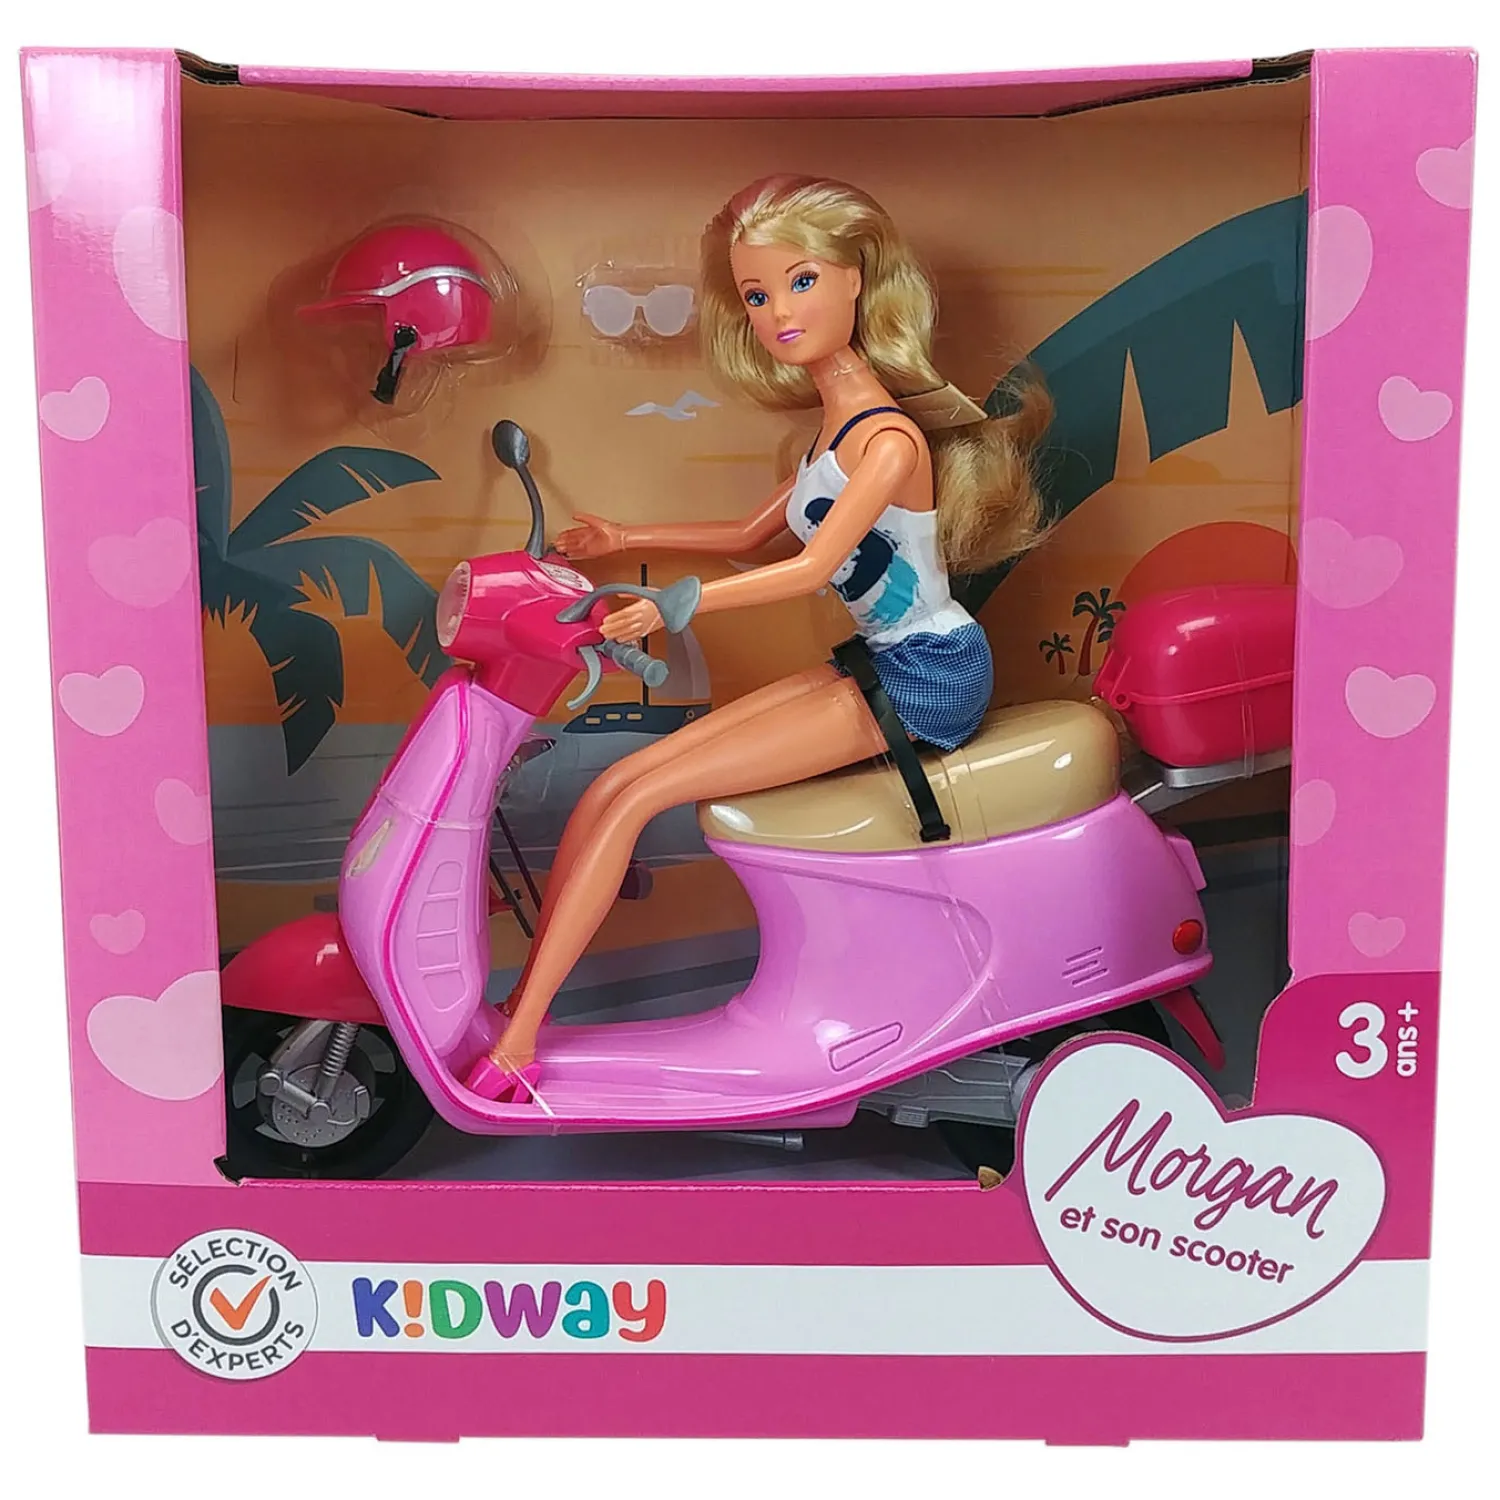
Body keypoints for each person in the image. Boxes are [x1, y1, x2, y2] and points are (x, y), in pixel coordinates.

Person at [465, 174, 1051, 1103]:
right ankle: (517, 1008)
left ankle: (521, 1041)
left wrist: (673, 607)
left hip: (930, 676)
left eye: (800, 282)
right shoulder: (834, 428)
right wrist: (625, 536)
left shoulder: (888, 442)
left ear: (858, 279)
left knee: (638, 797)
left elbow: (811, 569)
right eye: (756, 293)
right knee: (615, 784)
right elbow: (750, 534)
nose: (779, 312)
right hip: (883, 662)